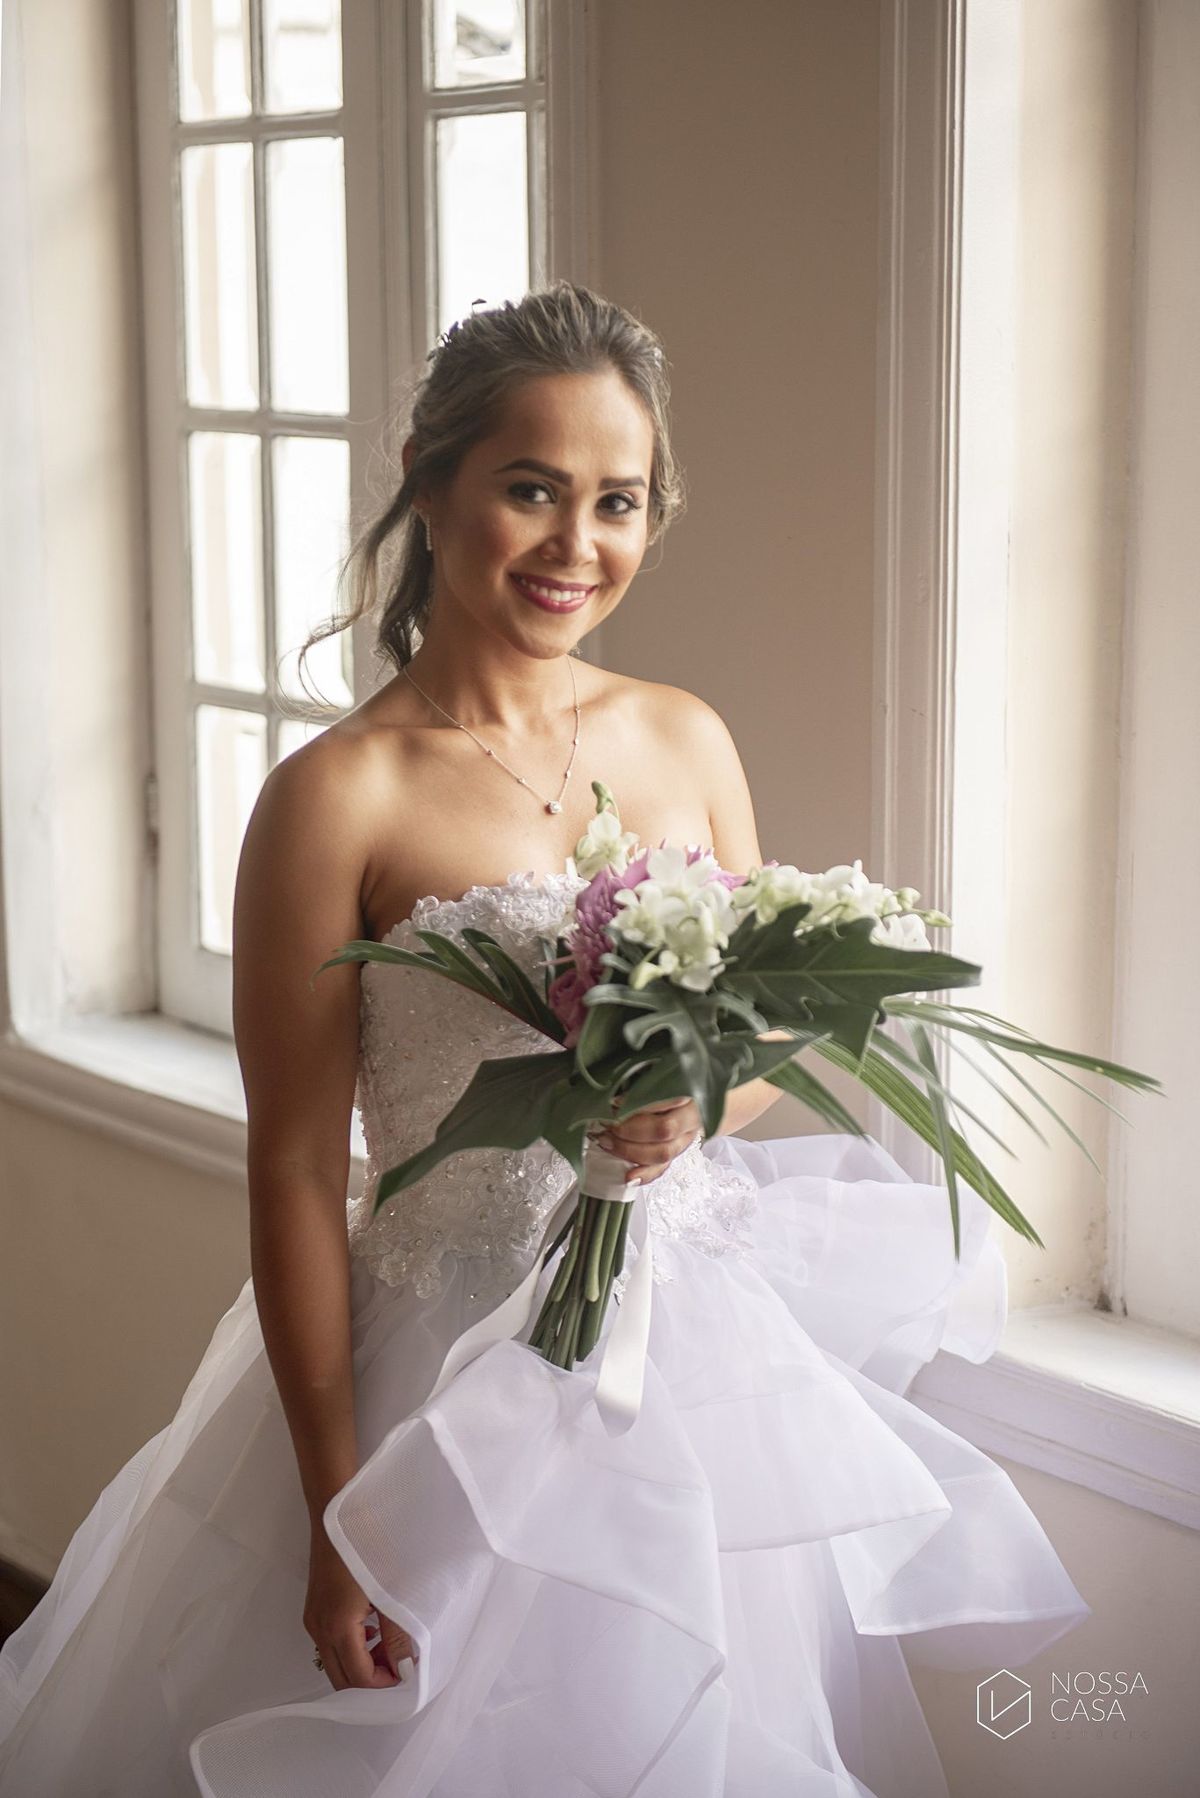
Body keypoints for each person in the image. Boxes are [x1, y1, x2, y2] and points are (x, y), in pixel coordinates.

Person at [0, 281, 1089, 1797]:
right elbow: (302, 1169)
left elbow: (759, 1031)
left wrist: (696, 1110)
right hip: (437, 1380)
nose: (580, 544)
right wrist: (338, 1515)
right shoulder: (338, 797)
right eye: (532, 489)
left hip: (689, 1366)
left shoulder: (682, 736)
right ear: (427, 480)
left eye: (619, 501)